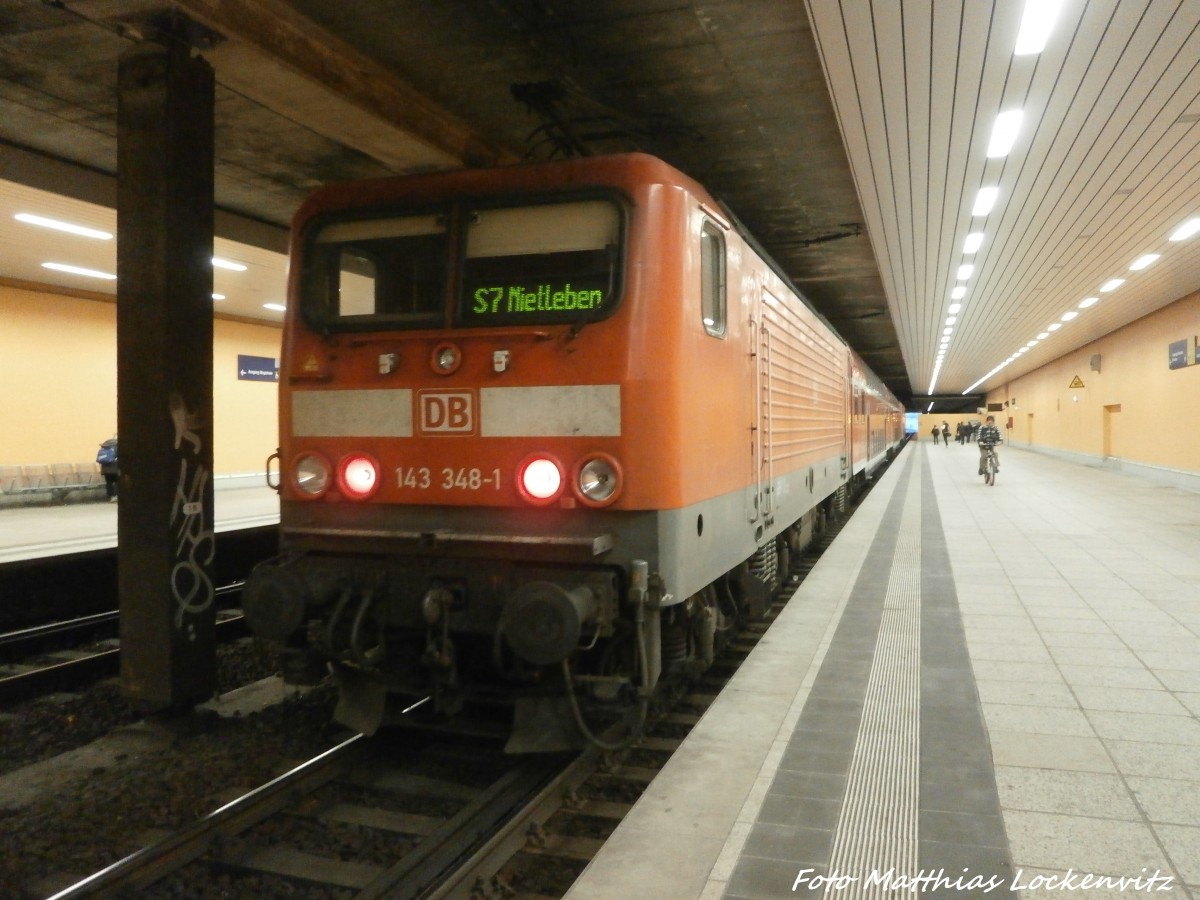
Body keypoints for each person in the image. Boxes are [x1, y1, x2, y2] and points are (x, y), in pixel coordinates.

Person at [97, 437, 119, 501]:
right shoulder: (117, 446)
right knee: (117, 482)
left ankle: (111, 496)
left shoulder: (104, 446)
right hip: (115, 468)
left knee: (109, 483)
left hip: (106, 469)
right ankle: (116, 495)